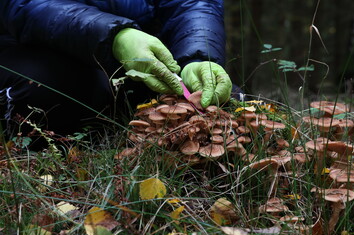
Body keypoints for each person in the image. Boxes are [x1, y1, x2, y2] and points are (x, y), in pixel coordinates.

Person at [0, 0, 236, 136]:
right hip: (24, 52)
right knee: (45, 88)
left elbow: (191, 4)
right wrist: (113, 35)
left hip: (135, 55)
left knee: (228, 102)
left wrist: (197, 57)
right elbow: (24, 5)